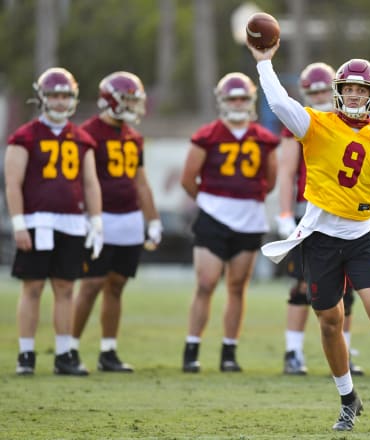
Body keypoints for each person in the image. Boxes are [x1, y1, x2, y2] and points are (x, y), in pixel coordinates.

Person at [249, 40, 370, 431]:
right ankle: (348, 398)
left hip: (361, 237)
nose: (356, 96)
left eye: (362, 90)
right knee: (330, 322)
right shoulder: (318, 124)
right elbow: (279, 104)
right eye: (350, 89)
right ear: (339, 92)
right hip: (320, 238)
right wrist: (264, 62)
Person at [5, 67, 103, 376]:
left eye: (65, 95)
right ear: (42, 98)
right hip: (38, 221)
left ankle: (64, 354)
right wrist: (19, 223)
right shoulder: (25, 136)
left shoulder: (82, 138)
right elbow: (12, 183)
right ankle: (26, 355)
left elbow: (90, 183)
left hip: (72, 223)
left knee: (65, 288)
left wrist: (96, 220)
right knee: (32, 288)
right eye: (54, 95)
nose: (60, 102)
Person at [180, 72, 279, 373]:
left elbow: (271, 181)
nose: (237, 103)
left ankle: (228, 351)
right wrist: (212, 203)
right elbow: (188, 179)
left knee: (237, 287)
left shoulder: (264, 139)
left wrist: (244, 197)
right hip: (213, 216)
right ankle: (192, 348)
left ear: (250, 101)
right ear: (222, 101)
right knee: (206, 283)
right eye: (232, 98)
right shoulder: (207, 135)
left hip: (249, 219)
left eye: (242, 98)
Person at [71, 71, 162, 373]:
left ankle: (107, 351)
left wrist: (153, 220)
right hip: (99, 217)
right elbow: (79, 180)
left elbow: (141, 182)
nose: (134, 106)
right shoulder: (87, 133)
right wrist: (84, 216)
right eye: (129, 100)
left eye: (136, 100)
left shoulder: (133, 137)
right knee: (91, 284)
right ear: (111, 99)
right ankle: (68, 348)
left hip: (129, 218)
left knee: (117, 284)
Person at [277, 62, 362, 376]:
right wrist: (285, 214)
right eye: (312, 92)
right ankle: (293, 352)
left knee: (347, 286)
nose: (320, 96)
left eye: (325, 89)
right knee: (303, 285)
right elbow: (287, 173)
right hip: (309, 211)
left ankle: (346, 352)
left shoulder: (354, 122)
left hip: (347, 211)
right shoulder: (303, 124)